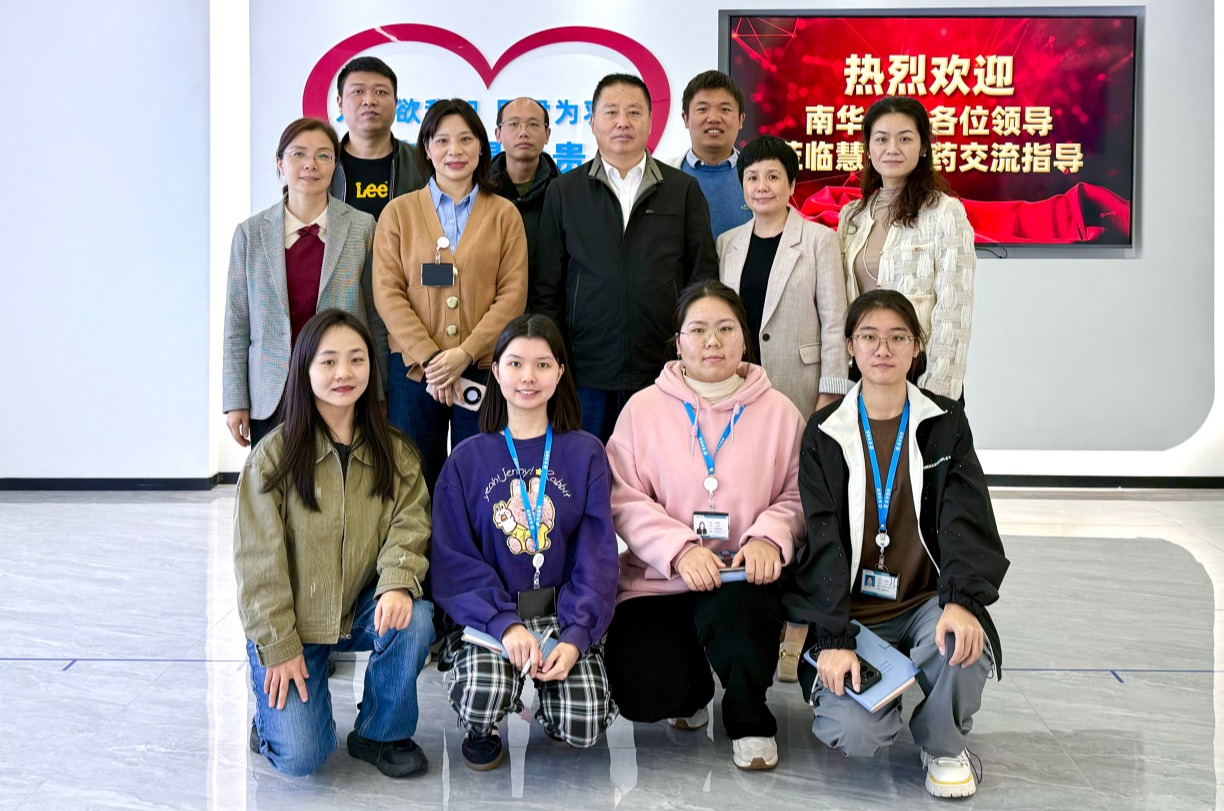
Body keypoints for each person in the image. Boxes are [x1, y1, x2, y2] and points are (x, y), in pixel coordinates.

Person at [784, 289, 1008, 798]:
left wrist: (962, 602)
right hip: (854, 612)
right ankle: (879, 702)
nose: (882, 349)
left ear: (916, 347)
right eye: (869, 336)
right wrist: (833, 640)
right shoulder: (824, 431)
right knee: (857, 733)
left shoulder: (944, 423)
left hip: (925, 603)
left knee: (964, 646)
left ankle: (943, 744)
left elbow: (966, 517)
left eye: (897, 337)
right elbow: (821, 538)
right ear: (850, 347)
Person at [603, 281, 805, 772]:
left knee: (739, 623)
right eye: (697, 330)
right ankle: (691, 692)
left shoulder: (780, 412)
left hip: (742, 575)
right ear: (678, 342)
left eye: (725, 329)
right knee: (644, 692)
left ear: (744, 338)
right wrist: (678, 549)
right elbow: (623, 496)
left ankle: (748, 716)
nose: (712, 341)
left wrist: (768, 536)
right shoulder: (642, 409)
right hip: (660, 577)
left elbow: (799, 494)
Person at [234, 309, 434, 778]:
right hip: (293, 626)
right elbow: (257, 565)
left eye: (356, 359)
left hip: (358, 610)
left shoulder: (396, 452)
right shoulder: (272, 459)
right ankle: (269, 723)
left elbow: (409, 524)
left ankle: (380, 733)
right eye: (328, 361)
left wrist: (397, 583)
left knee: (416, 618)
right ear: (304, 369)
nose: (344, 372)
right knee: (301, 758)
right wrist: (279, 645)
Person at [431, 314, 619, 770]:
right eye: (515, 364)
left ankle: (555, 707)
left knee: (583, 721)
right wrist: (505, 624)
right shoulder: (466, 459)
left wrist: (576, 636)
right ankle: (483, 724)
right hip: (492, 619)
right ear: (496, 372)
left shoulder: (586, 453)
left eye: (542, 364)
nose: (528, 377)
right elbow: (453, 560)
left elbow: (596, 556)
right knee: (482, 693)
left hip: (562, 613)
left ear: (560, 373)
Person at [718, 133, 852, 684]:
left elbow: (836, 320)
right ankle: (757, 614)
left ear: (791, 184)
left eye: (773, 176)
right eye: (752, 177)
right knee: (754, 497)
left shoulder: (819, 240)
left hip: (800, 390)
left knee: (804, 504)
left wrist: (830, 393)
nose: (762, 186)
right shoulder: (728, 243)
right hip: (738, 395)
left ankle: (798, 628)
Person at [535, 73, 719, 442]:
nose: (623, 122)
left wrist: (691, 350)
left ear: (651, 122)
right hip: (586, 371)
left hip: (664, 368)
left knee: (660, 467)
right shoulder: (564, 191)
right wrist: (555, 360)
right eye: (611, 112)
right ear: (592, 122)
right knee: (587, 465)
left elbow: (703, 279)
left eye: (634, 112)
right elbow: (547, 288)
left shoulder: (681, 190)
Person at [373, 98, 528, 490]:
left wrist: (464, 354)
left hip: (483, 366)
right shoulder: (398, 213)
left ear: (481, 147)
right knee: (413, 475)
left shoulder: (504, 214)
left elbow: (512, 296)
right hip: (413, 370)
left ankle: (469, 535)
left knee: (482, 475)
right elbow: (388, 293)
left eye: (465, 139)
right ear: (426, 148)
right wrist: (432, 360)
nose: (454, 150)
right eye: (441, 140)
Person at [224, 117, 386, 448]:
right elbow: (237, 324)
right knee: (275, 476)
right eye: (298, 154)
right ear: (280, 163)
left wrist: (380, 394)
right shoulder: (250, 234)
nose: (311, 164)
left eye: (323, 155)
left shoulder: (362, 228)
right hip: (273, 391)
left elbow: (377, 319)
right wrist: (235, 400)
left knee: (342, 475)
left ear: (335, 164)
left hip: (342, 385)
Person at [837, 96, 976, 401]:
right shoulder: (852, 216)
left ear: (923, 147)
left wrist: (935, 395)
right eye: (881, 139)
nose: (892, 148)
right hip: (864, 372)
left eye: (904, 139)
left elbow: (953, 311)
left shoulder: (945, 213)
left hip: (920, 372)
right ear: (868, 148)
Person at [329, 56, 426, 220]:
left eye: (380, 92)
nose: (369, 101)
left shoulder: (422, 163)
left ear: (396, 103)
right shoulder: (322, 164)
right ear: (340, 103)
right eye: (358, 91)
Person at [666, 70, 752, 239]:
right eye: (703, 109)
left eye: (725, 109)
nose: (713, 118)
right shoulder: (662, 176)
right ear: (685, 118)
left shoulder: (758, 176)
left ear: (741, 120)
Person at [491, 97, 561, 299]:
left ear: (547, 134)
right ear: (498, 134)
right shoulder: (479, 190)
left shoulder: (564, 192)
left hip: (547, 307)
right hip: (490, 308)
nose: (523, 132)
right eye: (513, 124)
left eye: (533, 124)